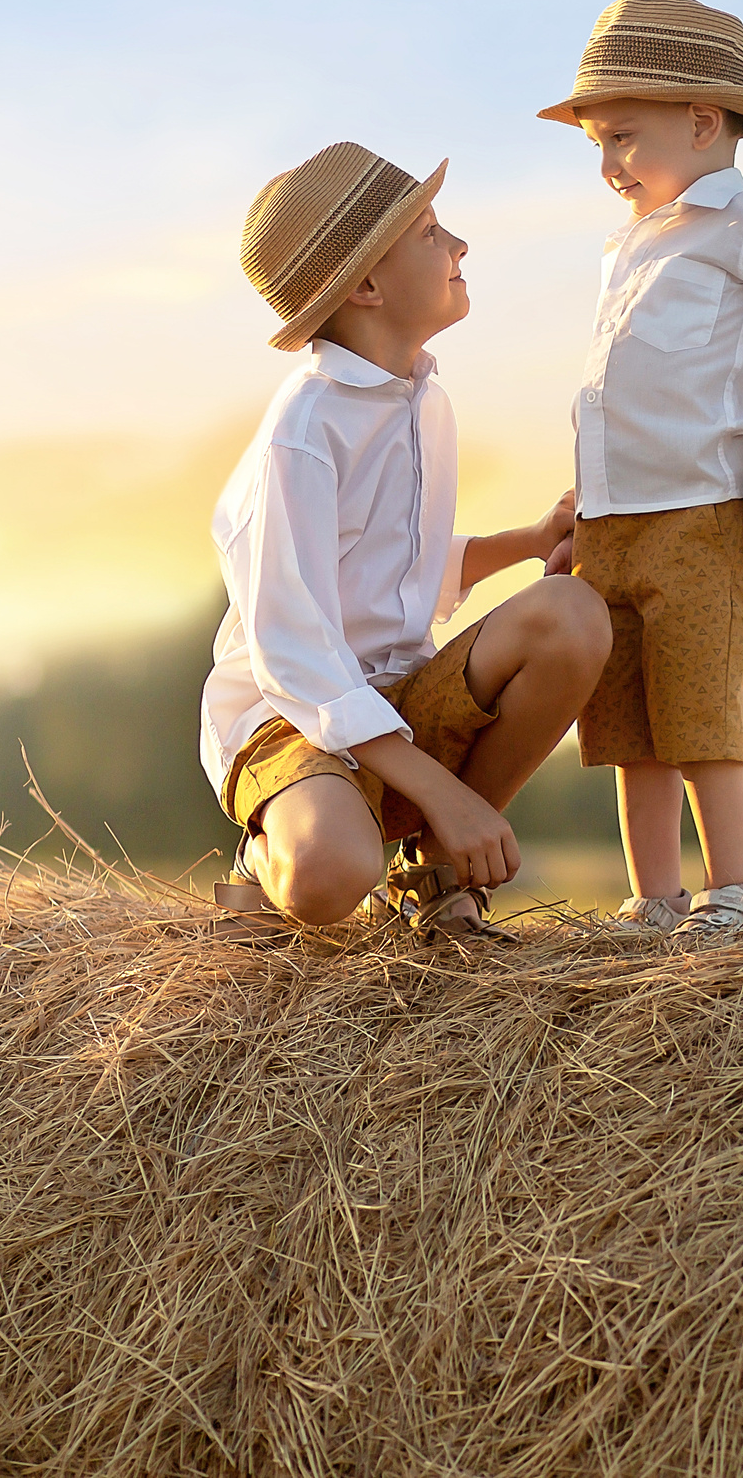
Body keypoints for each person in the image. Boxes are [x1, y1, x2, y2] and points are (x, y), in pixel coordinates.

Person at [201, 142, 611, 938]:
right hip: (292, 719)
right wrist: (447, 792)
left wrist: (529, 541)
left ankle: (433, 877)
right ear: (365, 285)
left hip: (399, 693)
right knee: (331, 872)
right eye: (429, 233)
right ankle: (265, 858)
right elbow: (298, 658)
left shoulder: (426, 400)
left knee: (573, 613)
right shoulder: (304, 431)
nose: (458, 245)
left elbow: (400, 564)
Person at [536, 0, 743, 934]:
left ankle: (737, 891)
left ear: (705, 122)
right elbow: (621, 391)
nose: (607, 166)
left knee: (700, 701)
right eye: (598, 144)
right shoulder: (629, 250)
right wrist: (585, 499)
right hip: (615, 523)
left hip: (705, 513)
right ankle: (654, 897)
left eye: (623, 139)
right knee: (629, 718)